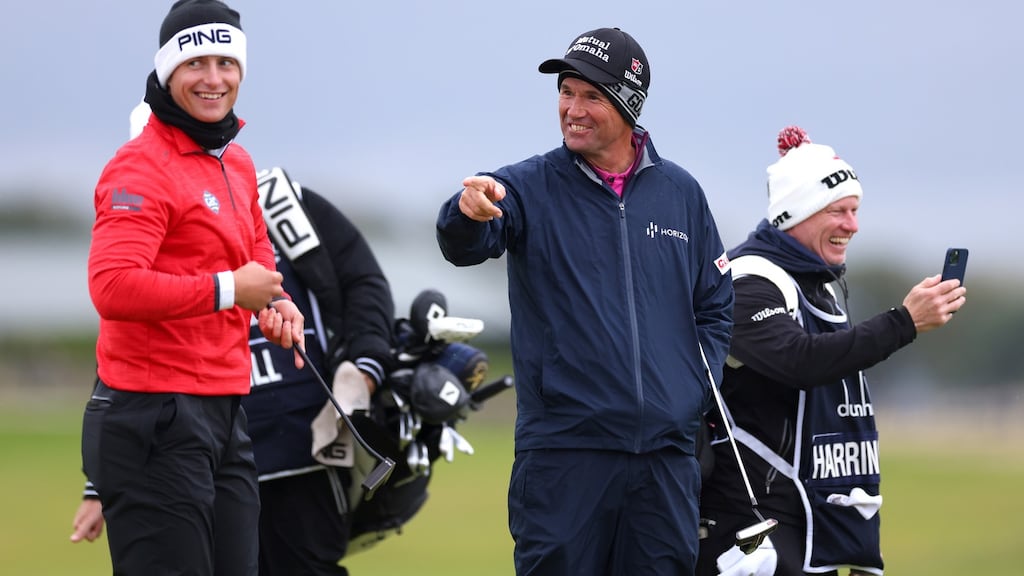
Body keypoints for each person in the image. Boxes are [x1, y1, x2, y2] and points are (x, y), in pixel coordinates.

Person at [435, 27, 734, 576]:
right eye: (566, 92)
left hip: (665, 463)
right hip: (565, 458)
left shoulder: (681, 193)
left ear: (628, 103)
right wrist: (466, 212)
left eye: (591, 95)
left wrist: (688, 391)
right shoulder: (526, 186)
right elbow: (466, 242)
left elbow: (715, 307)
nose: (572, 108)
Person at [75, 163, 395, 576]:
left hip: (302, 446)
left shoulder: (275, 197)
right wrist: (97, 482)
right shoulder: (143, 219)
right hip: (182, 448)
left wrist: (363, 368)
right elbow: (125, 346)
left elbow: (362, 280)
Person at [80, 1, 305, 574]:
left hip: (225, 411)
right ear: (166, 73)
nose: (213, 78)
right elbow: (112, 286)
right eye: (195, 63)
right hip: (150, 415)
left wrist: (278, 306)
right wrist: (231, 291)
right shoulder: (139, 167)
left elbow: (259, 260)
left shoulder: (236, 162)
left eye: (226, 63)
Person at [695, 126, 967, 576]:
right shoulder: (749, 279)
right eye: (838, 211)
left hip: (803, 526)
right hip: (749, 531)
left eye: (855, 211)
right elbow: (800, 361)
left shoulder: (815, 285)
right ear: (795, 213)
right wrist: (904, 322)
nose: (852, 225)